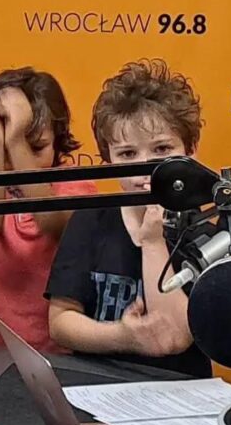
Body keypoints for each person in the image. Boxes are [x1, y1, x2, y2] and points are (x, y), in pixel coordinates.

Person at [45, 59, 210, 376]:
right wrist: (121, 336)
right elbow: (60, 322)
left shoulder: (203, 232)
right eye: (127, 154)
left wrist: (153, 241)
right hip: (97, 388)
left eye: (161, 149)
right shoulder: (90, 219)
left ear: (190, 150)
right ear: (108, 160)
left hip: (176, 390)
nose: (144, 167)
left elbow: (173, 338)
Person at [0, 67, 97, 350]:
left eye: (36, 147)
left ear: (58, 139)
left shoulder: (74, 185)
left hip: (55, 353)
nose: (17, 158)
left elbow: (52, 221)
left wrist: (15, 140)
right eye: (6, 148)